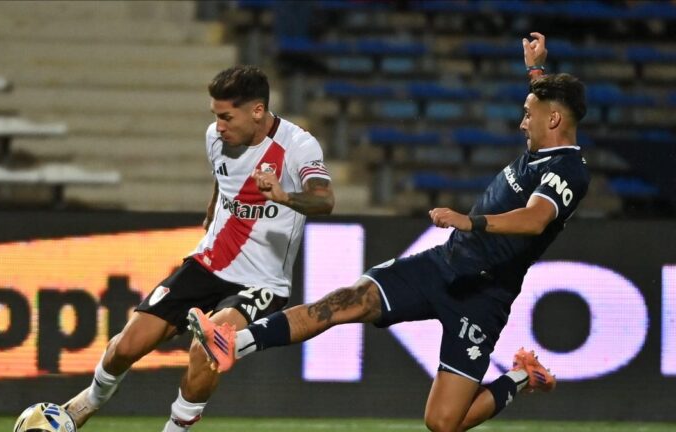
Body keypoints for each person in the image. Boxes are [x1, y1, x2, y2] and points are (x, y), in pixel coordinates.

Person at [189, 33, 589, 432]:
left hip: (484, 297)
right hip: (442, 264)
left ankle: (521, 376)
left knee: (443, 423)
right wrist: (535, 68)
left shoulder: (569, 171)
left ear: (552, 120)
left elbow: (535, 219)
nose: (522, 122)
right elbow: (547, 99)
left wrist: (472, 222)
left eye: (528, 113)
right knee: (346, 302)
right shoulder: (543, 144)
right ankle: (234, 344)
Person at [62, 65, 335, 431]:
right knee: (127, 345)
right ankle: (88, 403)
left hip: (261, 282)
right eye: (215, 116)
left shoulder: (299, 146)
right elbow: (223, 181)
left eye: (226, 117)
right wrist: (211, 210)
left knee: (209, 347)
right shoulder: (215, 138)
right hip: (207, 263)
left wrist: (283, 195)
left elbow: (324, 199)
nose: (219, 126)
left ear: (257, 111)